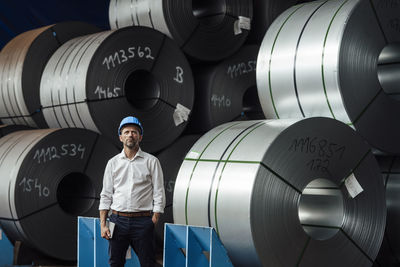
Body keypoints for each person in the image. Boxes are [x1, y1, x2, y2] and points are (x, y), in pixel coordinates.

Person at [99, 116, 165, 267]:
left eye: (134, 132)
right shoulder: (113, 163)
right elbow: (106, 194)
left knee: (148, 263)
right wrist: (103, 225)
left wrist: (153, 220)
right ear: (120, 137)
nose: (130, 135)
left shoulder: (151, 162)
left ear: (140, 137)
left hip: (143, 221)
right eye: (126, 132)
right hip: (117, 221)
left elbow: (159, 193)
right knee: (115, 263)